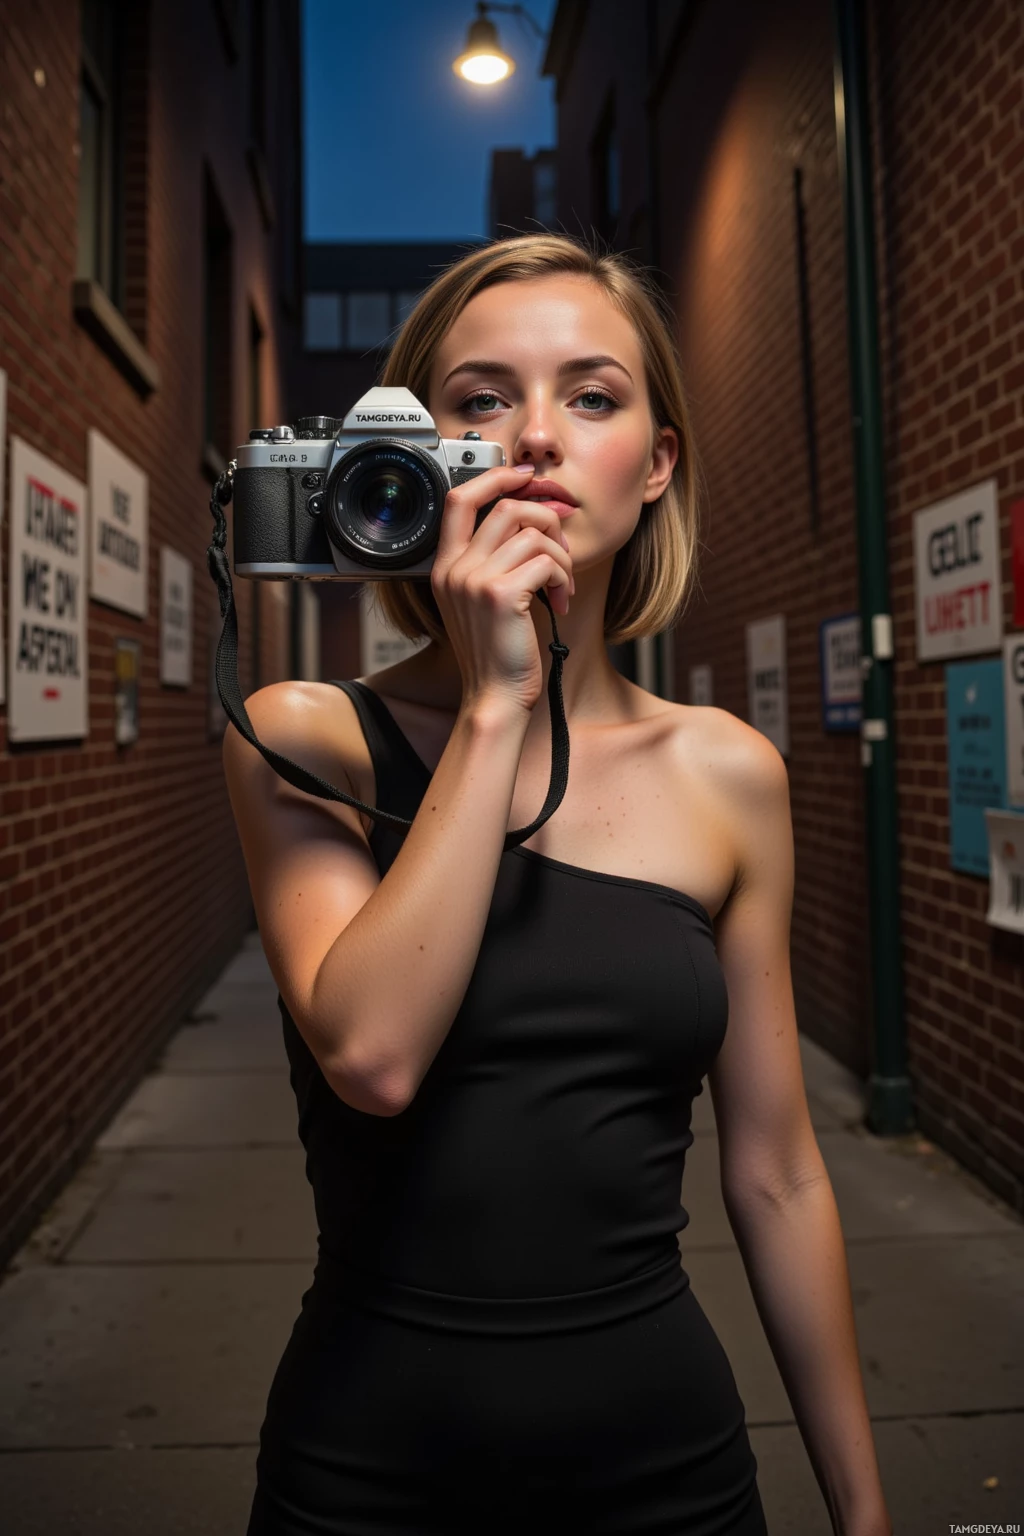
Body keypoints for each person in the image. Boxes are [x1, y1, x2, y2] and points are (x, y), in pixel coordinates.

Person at [224, 233, 892, 1536]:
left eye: (591, 395)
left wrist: (863, 1515)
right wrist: (497, 703)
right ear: (411, 461)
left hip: (670, 1469)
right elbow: (373, 1055)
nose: (535, 435)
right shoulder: (304, 736)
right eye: (481, 400)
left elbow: (777, 1173)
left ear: (655, 464)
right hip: (365, 1472)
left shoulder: (729, 774)